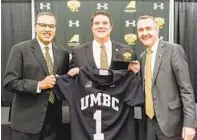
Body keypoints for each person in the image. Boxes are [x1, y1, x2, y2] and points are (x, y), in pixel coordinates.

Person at [3, 12, 69, 140]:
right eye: (43, 25)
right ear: (35, 27)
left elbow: (64, 83)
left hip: (54, 122)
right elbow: (9, 82)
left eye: (51, 26)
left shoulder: (63, 53)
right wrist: (39, 85)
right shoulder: (20, 49)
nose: (47, 29)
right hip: (26, 122)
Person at [137, 15, 196, 140]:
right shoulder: (142, 57)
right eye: (140, 30)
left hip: (172, 124)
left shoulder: (173, 50)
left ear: (157, 30)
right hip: (149, 124)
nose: (144, 33)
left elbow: (186, 89)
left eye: (148, 28)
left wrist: (190, 124)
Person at [68, 10, 139, 76]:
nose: (101, 26)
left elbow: (132, 79)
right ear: (92, 27)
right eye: (97, 23)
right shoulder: (78, 52)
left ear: (111, 27)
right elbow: (71, 81)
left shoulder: (126, 51)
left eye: (105, 23)